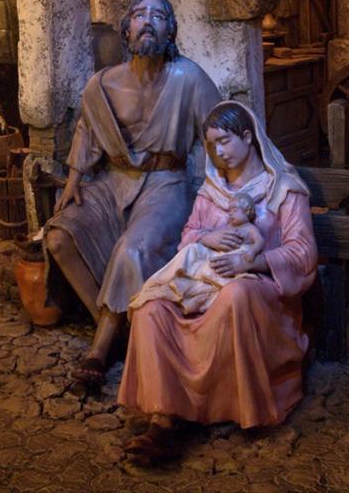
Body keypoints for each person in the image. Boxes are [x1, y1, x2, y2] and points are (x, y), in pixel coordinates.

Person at [118, 101, 318, 462]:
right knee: (151, 308)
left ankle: (231, 404)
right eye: (212, 145)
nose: (219, 152)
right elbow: (188, 239)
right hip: (202, 285)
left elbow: (303, 253)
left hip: (260, 290)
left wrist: (253, 261)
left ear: (248, 136)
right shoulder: (211, 192)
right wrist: (206, 237)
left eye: (225, 141)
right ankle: (164, 419)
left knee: (235, 295)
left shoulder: (284, 190)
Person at [45, 0, 220, 389]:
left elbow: (220, 131)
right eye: (140, 15)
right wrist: (73, 183)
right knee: (59, 238)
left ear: (170, 30)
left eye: (159, 15)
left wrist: (228, 191)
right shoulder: (104, 84)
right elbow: (87, 130)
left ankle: (99, 351)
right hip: (112, 182)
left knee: (132, 251)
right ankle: (118, 330)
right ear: (127, 31)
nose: (148, 21)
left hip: (166, 183)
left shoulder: (189, 79)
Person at [128, 191, 264, 316]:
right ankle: (160, 280)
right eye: (229, 211)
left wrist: (252, 252)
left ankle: (194, 294)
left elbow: (260, 241)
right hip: (216, 254)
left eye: (234, 210)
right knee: (191, 249)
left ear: (247, 211)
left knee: (224, 281)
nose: (230, 214)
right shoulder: (210, 197)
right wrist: (208, 237)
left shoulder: (250, 229)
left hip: (232, 262)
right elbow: (190, 233)